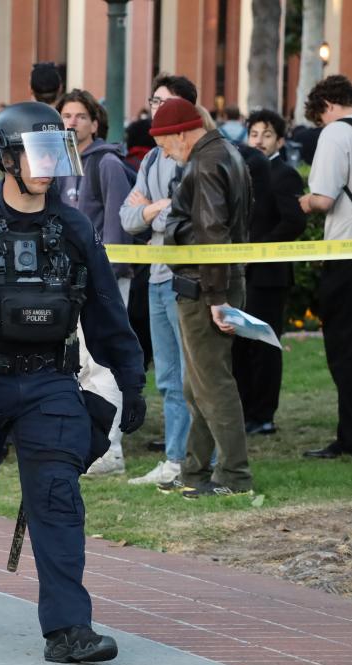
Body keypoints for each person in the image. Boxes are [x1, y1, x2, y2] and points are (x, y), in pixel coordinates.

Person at [0, 101, 144, 664]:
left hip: (49, 383)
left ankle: (68, 630)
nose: (47, 166)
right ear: (7, 158)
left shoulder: (73, 226)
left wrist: (130, 382)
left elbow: (107, 310)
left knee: (58, 499)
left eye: (55, 154)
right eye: (36, 154)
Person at [151, 97, 254, 497]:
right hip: (215, 282)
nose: (163, 151)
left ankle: (234, 476)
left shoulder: (204, 162)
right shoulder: (227, 153)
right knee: (200, 385)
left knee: (212, 383)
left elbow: (212, 232)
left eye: (163, 142)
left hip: (205, 286)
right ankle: (196, 472)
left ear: (180, 133)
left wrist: (215, 298)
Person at [120, 74, 197, 486]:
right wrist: (153, 210)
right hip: (155, 274)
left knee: (192, 373)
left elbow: (185, 218)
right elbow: (128, 218)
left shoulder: (196, 157)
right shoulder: (150, 160)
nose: (156, 109)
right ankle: (172, 458)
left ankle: (196, 457)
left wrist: (154, 211)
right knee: (166, 375)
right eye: (153, 101)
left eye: (164, 102)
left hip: (188, 277)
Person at [56, 88, 135, 476]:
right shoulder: (58, 163)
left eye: (79, 116)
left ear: (94, 122)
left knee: (104, 365)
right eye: (66, 116)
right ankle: (88, 446)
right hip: (68, 283)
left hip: (103, 282)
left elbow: (118, 225)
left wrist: (112, 275)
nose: (71, 122)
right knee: (81, 366)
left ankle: (110, 452)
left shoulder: (106, 163)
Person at [233, 109, 306, 436]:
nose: (259, 140)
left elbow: (294, 221)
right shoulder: (241, 170)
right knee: (240, 346)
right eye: (254, 134)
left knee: (263, 346)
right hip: (241, 275)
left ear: (279, 139)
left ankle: (263, 415)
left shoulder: (284, 174)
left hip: (268, 277)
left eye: (266, 134)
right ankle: (245, 409)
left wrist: (259, 251)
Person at [299, 75, 352, 461]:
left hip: (347, 256)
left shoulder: (336, 133)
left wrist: (303, 202)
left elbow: (323, 198)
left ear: (327, 107)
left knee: (346, 350)